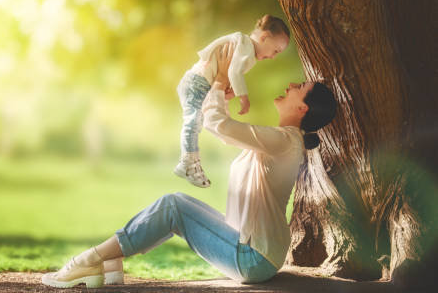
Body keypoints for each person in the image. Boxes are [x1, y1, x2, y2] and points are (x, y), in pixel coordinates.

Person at [41, 42, 337, 288]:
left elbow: (218, 125)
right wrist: (219, 93)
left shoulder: (285, 141)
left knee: (173, 207)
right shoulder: (282, 140)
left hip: (252, 257)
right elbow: (227, 134)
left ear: (303, 108)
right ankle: (109, 262)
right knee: (177, 204)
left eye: (298, 86)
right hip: (255, 249)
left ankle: (88, 260)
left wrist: (218, 83)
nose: (290, 84)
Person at [174, 15, 290, 188]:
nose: (273, 57)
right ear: (264, 37)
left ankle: (189, 161)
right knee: (193, 122)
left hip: (203, 84)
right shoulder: (244, 45)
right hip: (197, 81)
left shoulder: (245, 49)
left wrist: (224, 90)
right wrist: (243, 97)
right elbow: (234, 73)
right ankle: (188, 162)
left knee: (198, 120)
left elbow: (230, 74)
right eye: (275, 51)